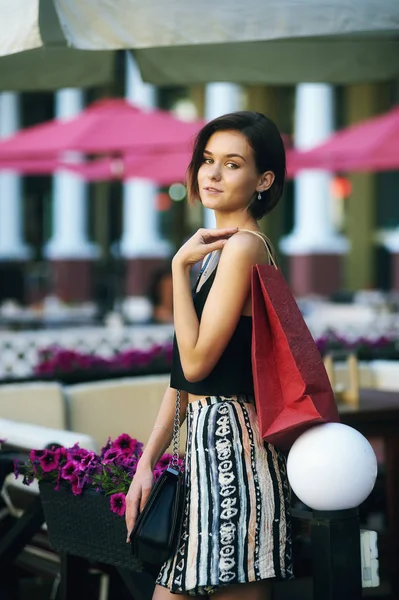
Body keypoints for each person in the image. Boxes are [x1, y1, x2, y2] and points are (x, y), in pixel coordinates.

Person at [125, 111, 293, 600]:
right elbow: (184, 379)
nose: (213, 174)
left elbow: (196, 364)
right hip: (200, 454)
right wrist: (146, 461)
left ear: (264, 180)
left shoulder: (243, 247)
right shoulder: (215, 251)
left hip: (233, 456)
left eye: (232, 163)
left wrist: (177, 268)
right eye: (207, 160)